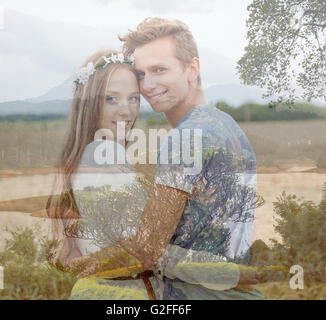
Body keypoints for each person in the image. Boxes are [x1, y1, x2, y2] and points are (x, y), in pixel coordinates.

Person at [58, 18, 264, 300]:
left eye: (160, 70)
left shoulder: (183, 139)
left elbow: (146, 249)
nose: (148, 85)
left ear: (192, 69)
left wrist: (82, 265)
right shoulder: (227, 125)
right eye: (142, 74)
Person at [46, 49, 159, 299]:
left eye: (133, 98)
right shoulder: (104, 152)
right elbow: (144, 247)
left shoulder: (86, 155)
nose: (126, 111)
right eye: (111, 99)